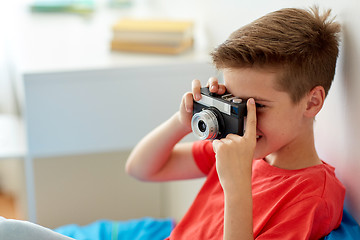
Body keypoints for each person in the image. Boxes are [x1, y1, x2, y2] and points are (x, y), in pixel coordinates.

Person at [126, 6, 346, 240]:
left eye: (258, 106)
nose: (242, 121)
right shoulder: (240, 146)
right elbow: (140, 169)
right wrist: (182, 121)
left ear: (311, 102)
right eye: (234, 103)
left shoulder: (312, 196)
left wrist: (237, 189)